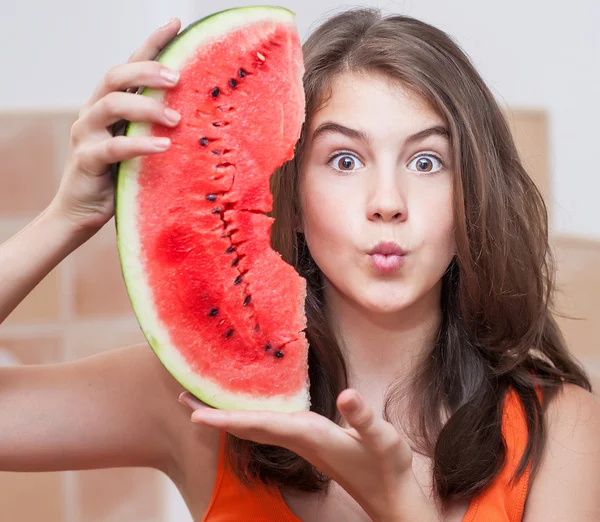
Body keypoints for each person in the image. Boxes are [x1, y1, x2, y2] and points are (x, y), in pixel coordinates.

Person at [1, 8, 599, 522]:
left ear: (474, 194)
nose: (387, 202)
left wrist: (396, 503)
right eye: (343, 160)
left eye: (426, 162)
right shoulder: (190, 404)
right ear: (287, 194)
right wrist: (65, 218)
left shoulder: (560, 431)